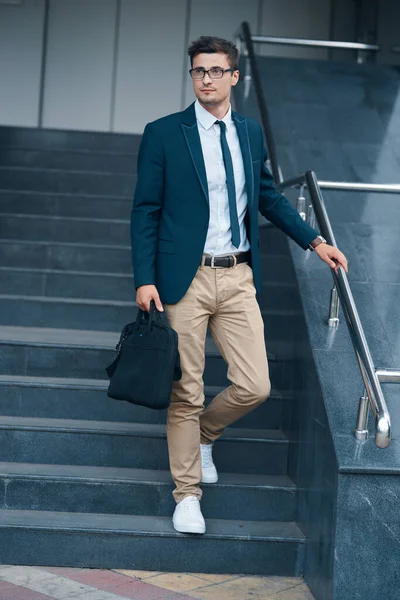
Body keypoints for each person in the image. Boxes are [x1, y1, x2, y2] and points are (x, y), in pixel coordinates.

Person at [130, 36, 348, 535]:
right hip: (182, 277)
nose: (205, 78)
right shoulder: (164, 133)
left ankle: (205, 434)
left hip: (237, 275)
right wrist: (144, 279)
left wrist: (315, 241)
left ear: (234, 77)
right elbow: (145, 210)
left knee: (255, 384)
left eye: (215, 70)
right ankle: (187, 495)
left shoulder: (249, 133)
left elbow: (267, 196)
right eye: (197, 71)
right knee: (185, 389)